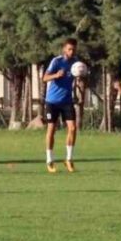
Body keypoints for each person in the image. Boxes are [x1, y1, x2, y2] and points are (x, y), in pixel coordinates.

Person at [42, 38, 79, 173]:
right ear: (64, 49)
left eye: (74, 49)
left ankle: (68, 159)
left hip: (67, 101)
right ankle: (49, 160)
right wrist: (56, 75)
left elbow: (80, 75)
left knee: (73, 128)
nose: (72, 51)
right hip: (52, 101)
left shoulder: (76, 63)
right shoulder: (57, 61)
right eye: (69, 49)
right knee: (51, 129)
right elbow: (44, 78)